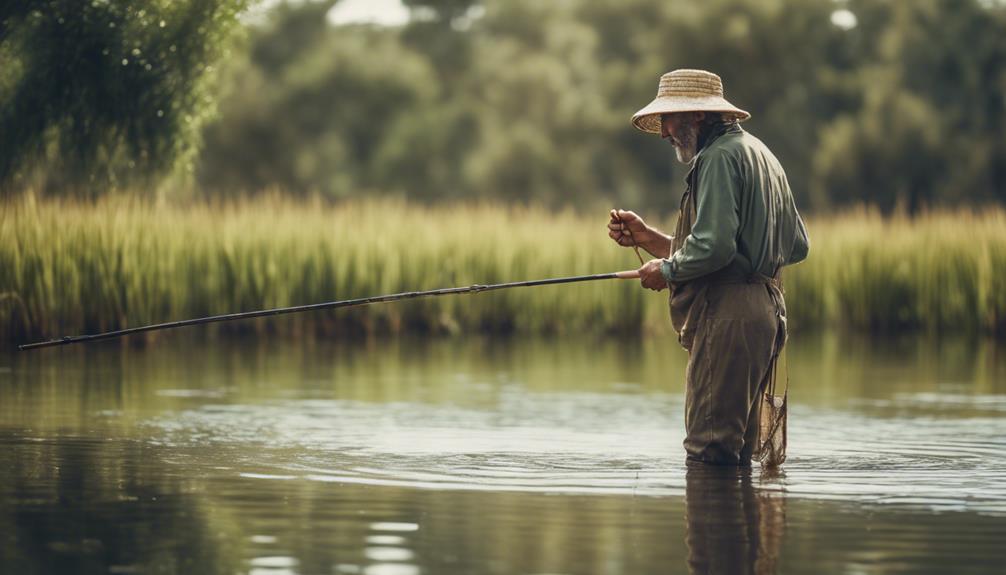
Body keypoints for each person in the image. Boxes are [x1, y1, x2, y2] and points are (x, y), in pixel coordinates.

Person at [609, 69, 809, 466]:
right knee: (739, 452)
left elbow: (715, 248)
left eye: (667, 119)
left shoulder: (718, 158)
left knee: (709, 450)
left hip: (731, 318)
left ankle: (712, 528)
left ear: (696, 116)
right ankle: (740, 525)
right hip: (766, 313)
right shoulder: (761, 154)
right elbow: (794, 246)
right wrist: (649, 237)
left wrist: (665, 271)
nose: (664, 132)